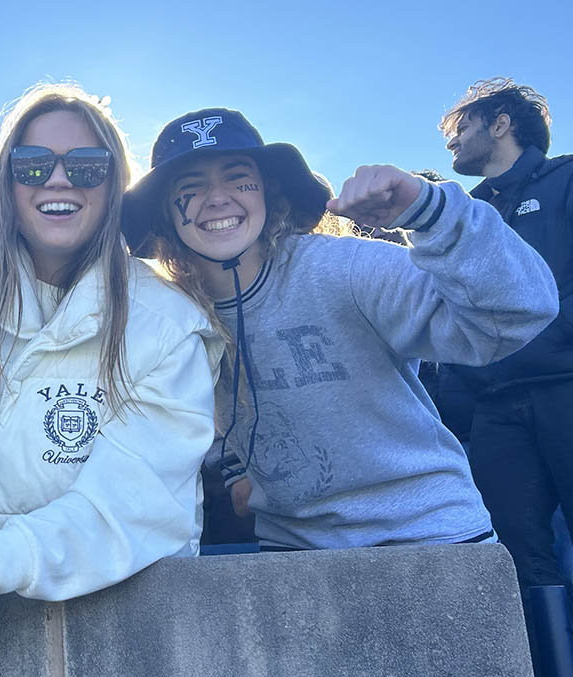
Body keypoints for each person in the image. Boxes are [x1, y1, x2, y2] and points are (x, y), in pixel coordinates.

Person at [121, 107, 557, 554]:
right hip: (292, 556)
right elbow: (206, 406)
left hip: (427, 538)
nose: (217, 198)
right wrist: (236, 467)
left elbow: (516, 315)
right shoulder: (172, 313)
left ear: (270, 191)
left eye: (238, 178)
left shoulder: (343, 269)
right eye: (190, 187)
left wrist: (433, 211)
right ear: (164, 213)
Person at [0, 83, 222, 615]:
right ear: (6, 181)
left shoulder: (167, 324)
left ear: (115, 182)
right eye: (32, 163)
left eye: (86, 166)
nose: (57, 179)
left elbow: (133, 506)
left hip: (113, 623)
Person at [441, 77, 573, 672]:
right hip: (495, 409)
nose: (452, 144)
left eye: (461, 128)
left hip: (565, 388)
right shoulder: (467, 214)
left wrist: (541, 343)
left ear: (500, 123)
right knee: (516, 561)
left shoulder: (566, 180)